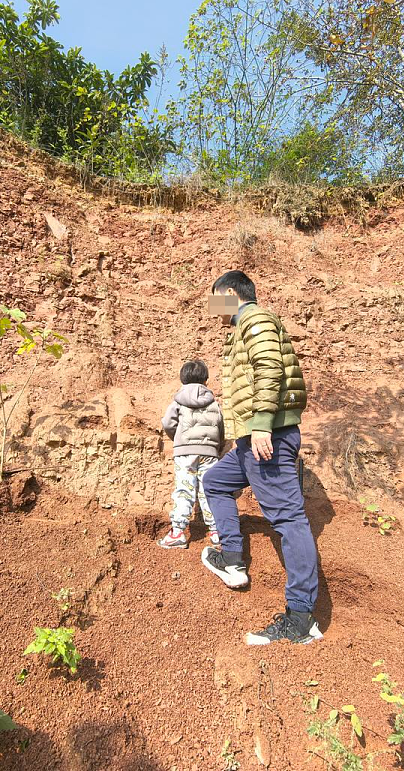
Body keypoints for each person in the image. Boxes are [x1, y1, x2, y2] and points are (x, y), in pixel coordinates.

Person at [200, 270, 322, 645]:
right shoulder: (241, 329)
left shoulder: (255, 319)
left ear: (230, 293)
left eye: (214, 298)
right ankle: (232, 557)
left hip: (265, 436)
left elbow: (270, 368)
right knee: (215, 481)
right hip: (250, 439)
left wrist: (263, 425)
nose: (211, 307)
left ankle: (301, 619)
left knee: (288, 519)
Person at [159, 359, 225, 549]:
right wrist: (216, 446)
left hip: (185, 453)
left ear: (183, 379)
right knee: (208, 491)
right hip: (209, 453)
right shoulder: (213, 402)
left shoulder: (178, 400)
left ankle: (178, 533)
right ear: (206, 380)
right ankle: (215, 532)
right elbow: (220, 427)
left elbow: (167, 423)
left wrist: (178, 439)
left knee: (184, 490)